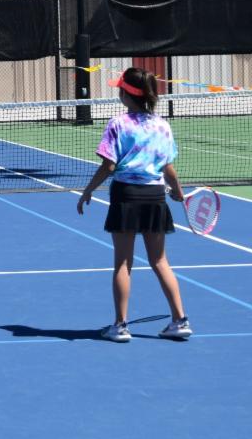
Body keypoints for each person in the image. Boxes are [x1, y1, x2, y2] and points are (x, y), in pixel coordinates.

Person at [77, 66, 191, 343]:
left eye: (121, 88)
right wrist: (177, 191)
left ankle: (120, 326)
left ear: (127, 93)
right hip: (155, 197)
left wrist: (88, 190)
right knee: (160, 261)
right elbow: (168, 167)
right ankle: (179, 320)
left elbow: (109, 165)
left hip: (126, 196)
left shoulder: (118, 124)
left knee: (123, 263)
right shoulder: (162, 125)